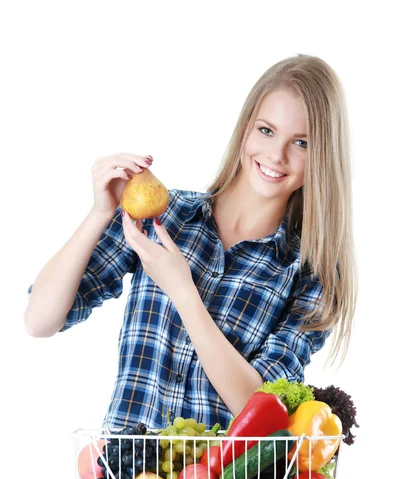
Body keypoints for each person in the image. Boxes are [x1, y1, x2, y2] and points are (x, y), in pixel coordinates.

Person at [24, 54, 358, 435]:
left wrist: (183, 291)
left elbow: (262, 413)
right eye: (266, 130)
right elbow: (39, 320)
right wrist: (101, 213)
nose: (276, 155)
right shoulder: (165, 216)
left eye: (301, 142)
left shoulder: (312, 274)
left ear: (323, 156)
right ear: (246, 127)